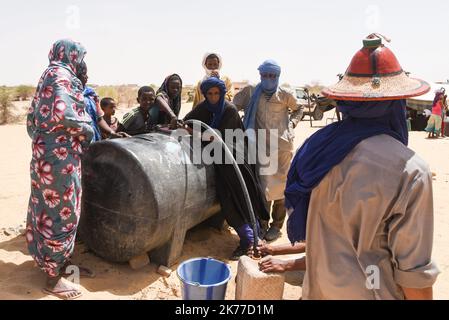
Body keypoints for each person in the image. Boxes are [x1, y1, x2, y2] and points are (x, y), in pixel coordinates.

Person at [285, 34, 440, 300]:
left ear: (348, 101)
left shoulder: (316, 148)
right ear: (397, 102)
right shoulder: (410, 170)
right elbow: (414, 276)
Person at [26, 39, 95, 300]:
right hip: (59, 159)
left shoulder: (49, 74)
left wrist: (44, 143)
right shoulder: (61, 75)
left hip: (48, 156)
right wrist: (86, 131)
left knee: (47, 207)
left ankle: (60, 263)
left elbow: (32, 121)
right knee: (61, 211)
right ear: (72, 55)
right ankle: (53, 280)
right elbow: (65, 114)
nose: (81, 61)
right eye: (80, 56)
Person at [183, 77, 269, 260]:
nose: (213, 97)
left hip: (236, 159)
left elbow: (218, 138)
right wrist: (186, 128)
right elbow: (186, 122)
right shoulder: (203, 107)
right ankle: (248, 237)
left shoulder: (229, 109)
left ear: (222, 94)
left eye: (217, 93)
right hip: (219, 159)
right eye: (210, 94)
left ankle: (251, 239)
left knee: (243, 197)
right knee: (228, 200)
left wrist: (195, 133)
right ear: (205, 94)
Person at [233, 60, 303, 242]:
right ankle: (262, 224)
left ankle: (276, 226)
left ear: (278, 76)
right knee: (263, 187)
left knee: (281, 187)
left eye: (272, 75)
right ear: (260, 75)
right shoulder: (250, 92)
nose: (268, 79)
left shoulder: (285, 94)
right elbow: (233, 106)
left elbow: (299, 109)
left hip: (282, 147)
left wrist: (292, 125)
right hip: (260, 147)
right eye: (265, 75)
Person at [76, 61, 126, 140]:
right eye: (84, 73)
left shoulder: (91, 95)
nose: (87, 77)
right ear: (74, 75)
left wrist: (112, 133)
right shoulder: (64, 95)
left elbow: (99, 119)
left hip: (93, 141)